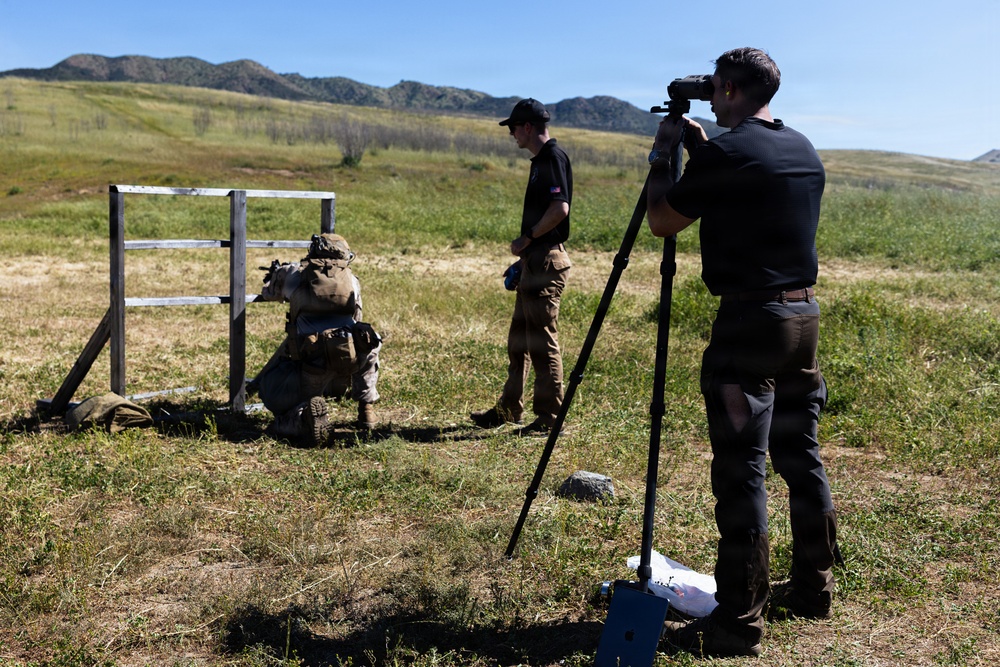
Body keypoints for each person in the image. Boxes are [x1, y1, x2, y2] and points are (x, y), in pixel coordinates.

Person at [646, 48, 839, 658]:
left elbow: (662, 221)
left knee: (742, 472)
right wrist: (705, 148)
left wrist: (663, 157)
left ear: (727, 88)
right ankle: (814, 586)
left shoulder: (728, 153)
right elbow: (750, 190)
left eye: (714, 89)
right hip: (802, 319)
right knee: (799, 454)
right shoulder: (802, 147)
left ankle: (738, 621)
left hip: (749, 325)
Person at [470, 98, 573, 435]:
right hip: (534, 261)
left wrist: (527, 238)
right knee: (518, 341)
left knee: (542, 343)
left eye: (514, 127)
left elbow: (560, 210)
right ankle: (509, 408)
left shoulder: (552, 158)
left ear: (528, 127)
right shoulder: (539, 162)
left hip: (546, 261)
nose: (512, 134)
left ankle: (548, 418)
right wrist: (523, 257)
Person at [251, 233, 382, 444]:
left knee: (272, 391)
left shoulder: (294, 273)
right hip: (347, 356)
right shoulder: (351, 280)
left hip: (311, 359)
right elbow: (358, 318)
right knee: (370, 343)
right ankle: (366, 409)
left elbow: (269, 293)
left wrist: (276, 275)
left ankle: (302, 418)